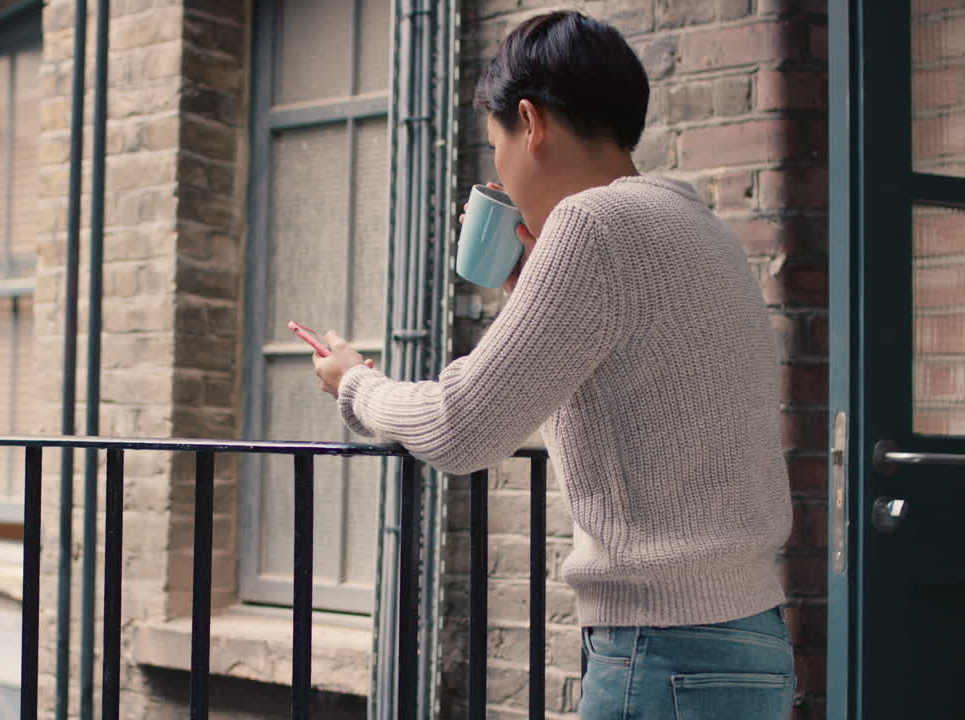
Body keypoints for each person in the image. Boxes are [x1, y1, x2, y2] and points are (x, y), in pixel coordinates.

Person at [309, 11, 796, 719]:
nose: (500, 172)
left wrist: (356, 384)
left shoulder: (592, 225)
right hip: (753, 641)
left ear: (530, 123)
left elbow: (460, 427)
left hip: (663, 653)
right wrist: (536, 296)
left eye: (495, 147)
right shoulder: (694, 221)